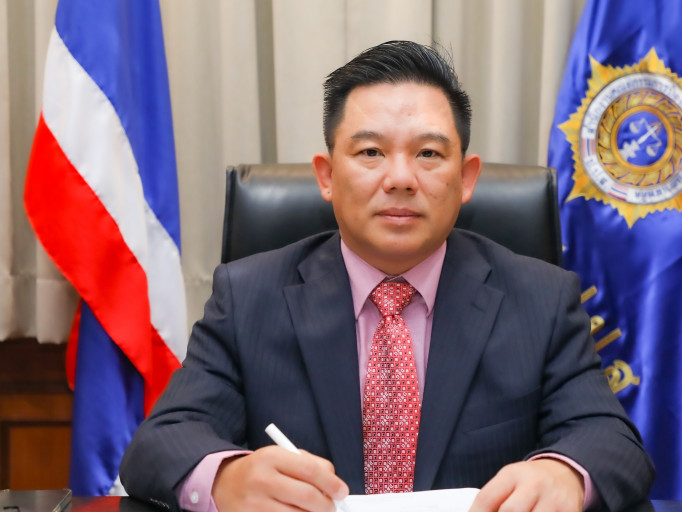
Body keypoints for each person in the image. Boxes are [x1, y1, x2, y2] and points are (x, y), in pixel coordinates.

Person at [120, 40, 654, 512]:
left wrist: (565, 474)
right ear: (327, 176)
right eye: (371, 152)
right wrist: (225, 479)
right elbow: (159, 443)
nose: (400, 178)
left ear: (467, 178)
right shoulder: (248, 297)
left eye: (428, 153)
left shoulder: (541, 298)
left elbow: (612, 442)